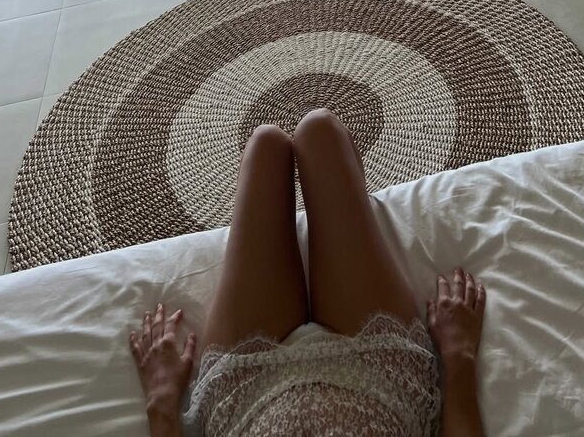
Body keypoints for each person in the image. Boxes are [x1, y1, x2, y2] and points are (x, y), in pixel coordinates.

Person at [129, 109, 486, 436]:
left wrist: (162, 401)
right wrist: (459, 357)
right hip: (383, 378)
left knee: (266, 146)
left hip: (243, 398)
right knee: (320, 132)